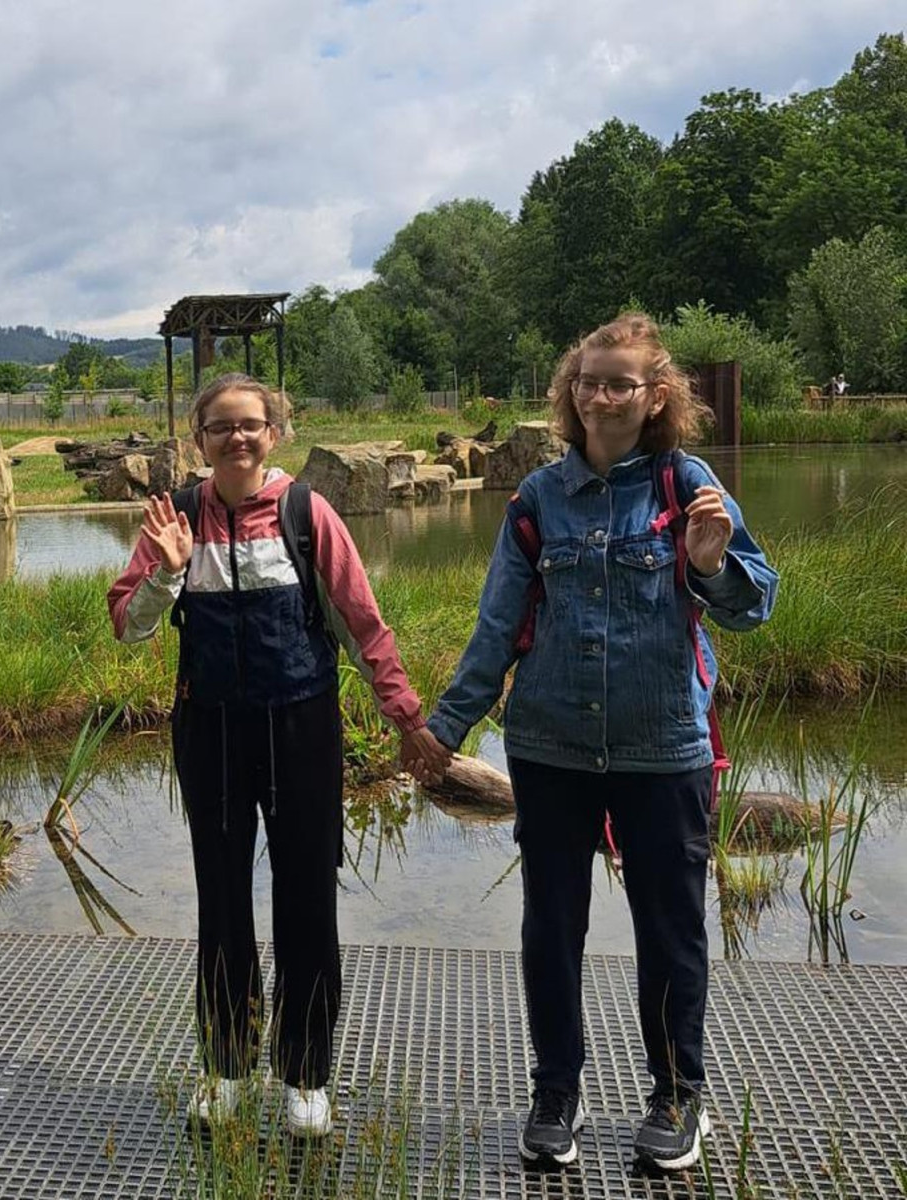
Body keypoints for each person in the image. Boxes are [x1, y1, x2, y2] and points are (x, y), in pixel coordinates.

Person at [425, 314, 777, 1173]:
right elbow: (498, 623)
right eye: (587, 380)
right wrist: (445, 727)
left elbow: (756, 604)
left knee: (670, 930)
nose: (599, 395)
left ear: (655, 395)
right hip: (550, 745)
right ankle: (557, 1093)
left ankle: (676, 1095)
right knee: (552, 929)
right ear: (569, 391)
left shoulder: (687, 484)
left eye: (619, 382)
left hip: (664, 746)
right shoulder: (537, 498)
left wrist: (709, 566)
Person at [108, 373, 449, 1138]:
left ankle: (305, 1077)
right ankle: (227, 1068)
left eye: (250, 424)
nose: (237, 437)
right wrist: (167, 571)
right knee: (222, 900)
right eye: (221, 427)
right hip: (211, 732)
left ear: (274, 433)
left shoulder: (305, 513)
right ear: (199, 440)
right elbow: (129, 625)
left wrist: (406, 718)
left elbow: (362, 624)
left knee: (307, 900)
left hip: (301, 727)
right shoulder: (177, 517)